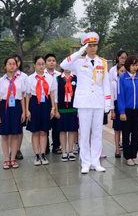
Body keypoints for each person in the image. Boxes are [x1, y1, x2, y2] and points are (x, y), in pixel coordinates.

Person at [60, 32, 112, 173]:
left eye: (94, 45)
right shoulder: (79, 61)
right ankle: (85, 162)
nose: (92, 48)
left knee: (97, 133)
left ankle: (96, 162)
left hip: (98, 101)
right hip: (84, 101)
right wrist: (80, 51)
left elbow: (106, 84)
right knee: (84, 133)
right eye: (89, 46)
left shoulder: (103, 62)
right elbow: (64, 64)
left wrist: (108, 103)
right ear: (86, 47)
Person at [0, 57, 26, 169]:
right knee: (4, 134)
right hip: (4, 107)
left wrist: (23, 112)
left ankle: (13, 159)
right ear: (5, 66)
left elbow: (22, 97)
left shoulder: (20, 80)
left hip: (16, 107)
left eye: (14, 64)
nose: (12, 66)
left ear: (17, 66)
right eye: (9, 64)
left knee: (15, 134)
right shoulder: (1, 81)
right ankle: (6, 160)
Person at [117, 55, 138, 165]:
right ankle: (127, 156)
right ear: (127, 65)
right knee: (126, 133)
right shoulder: (122, 79)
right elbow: (120, 96)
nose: (134, 67)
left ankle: (134, 155)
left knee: (136, 133)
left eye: (136, 65)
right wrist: (122, 112)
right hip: (127, 110)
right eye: (132, 65)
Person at [26, 56, 57, 165]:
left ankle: (43, 154)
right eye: (39, 64)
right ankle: (37, 154)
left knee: (44, 131)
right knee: (35, 131)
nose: (41, 66)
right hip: (34, 104)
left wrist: (53, 108)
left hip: (46, 103)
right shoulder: (30, 79)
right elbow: (28, 95)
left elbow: (52, 93)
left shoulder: (50, 78)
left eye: (43, 64)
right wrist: (27, 110)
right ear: (34, 65)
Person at [54, 69, 79, 161]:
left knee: (72, 130)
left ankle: (71, 151)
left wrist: (78, 111)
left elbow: (79, 95)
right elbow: (55, 96)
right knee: (62, 131)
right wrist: (56, 110)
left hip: (73, 108)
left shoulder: (76, 78)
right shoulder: (57, 79)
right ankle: (64, 151)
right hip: (61, 109)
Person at [13, 54, 28, 160]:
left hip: (20, 104)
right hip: (8, 105)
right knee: (10, 129)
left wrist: (26, 109)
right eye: (13, 62)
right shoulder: (5, 77)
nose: (15, 64)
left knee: (19, 129)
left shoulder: (24, 76)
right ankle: (11, 150)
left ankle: (18, 149)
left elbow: (27, 94)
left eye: (17, 62)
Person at [45, 53, 61, 154]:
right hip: (46, 102)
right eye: (49, 60)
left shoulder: (59, 75)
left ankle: (56, 145)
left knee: (56, 126)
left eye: (53, 61)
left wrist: (56, 108)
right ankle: (45, 146)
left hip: (57, 103)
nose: (51, 62)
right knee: (46, 126)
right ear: (45, 62)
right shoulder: (43, 74)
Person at [111, 63, 126, 158]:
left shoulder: (127, 81)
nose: (123, 73)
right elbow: (112, 98)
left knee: (126, 129)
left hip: (126, 106)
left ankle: (126, 147)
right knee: (117, 130)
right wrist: (112, 111)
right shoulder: (114, 83)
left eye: (125, 71)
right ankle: (117, 149)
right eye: (121, 71)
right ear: (117, 71)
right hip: (117, 106)